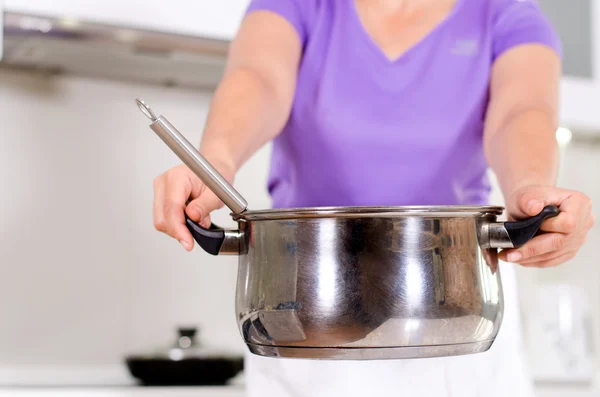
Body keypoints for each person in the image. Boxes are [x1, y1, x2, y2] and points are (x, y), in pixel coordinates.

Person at [152, 0, 595, 395]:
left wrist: (530, 189)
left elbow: (523, 112)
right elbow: (259, 79)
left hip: (458, 315)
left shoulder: (508, 13)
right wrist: (214, 163)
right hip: (308, 320)